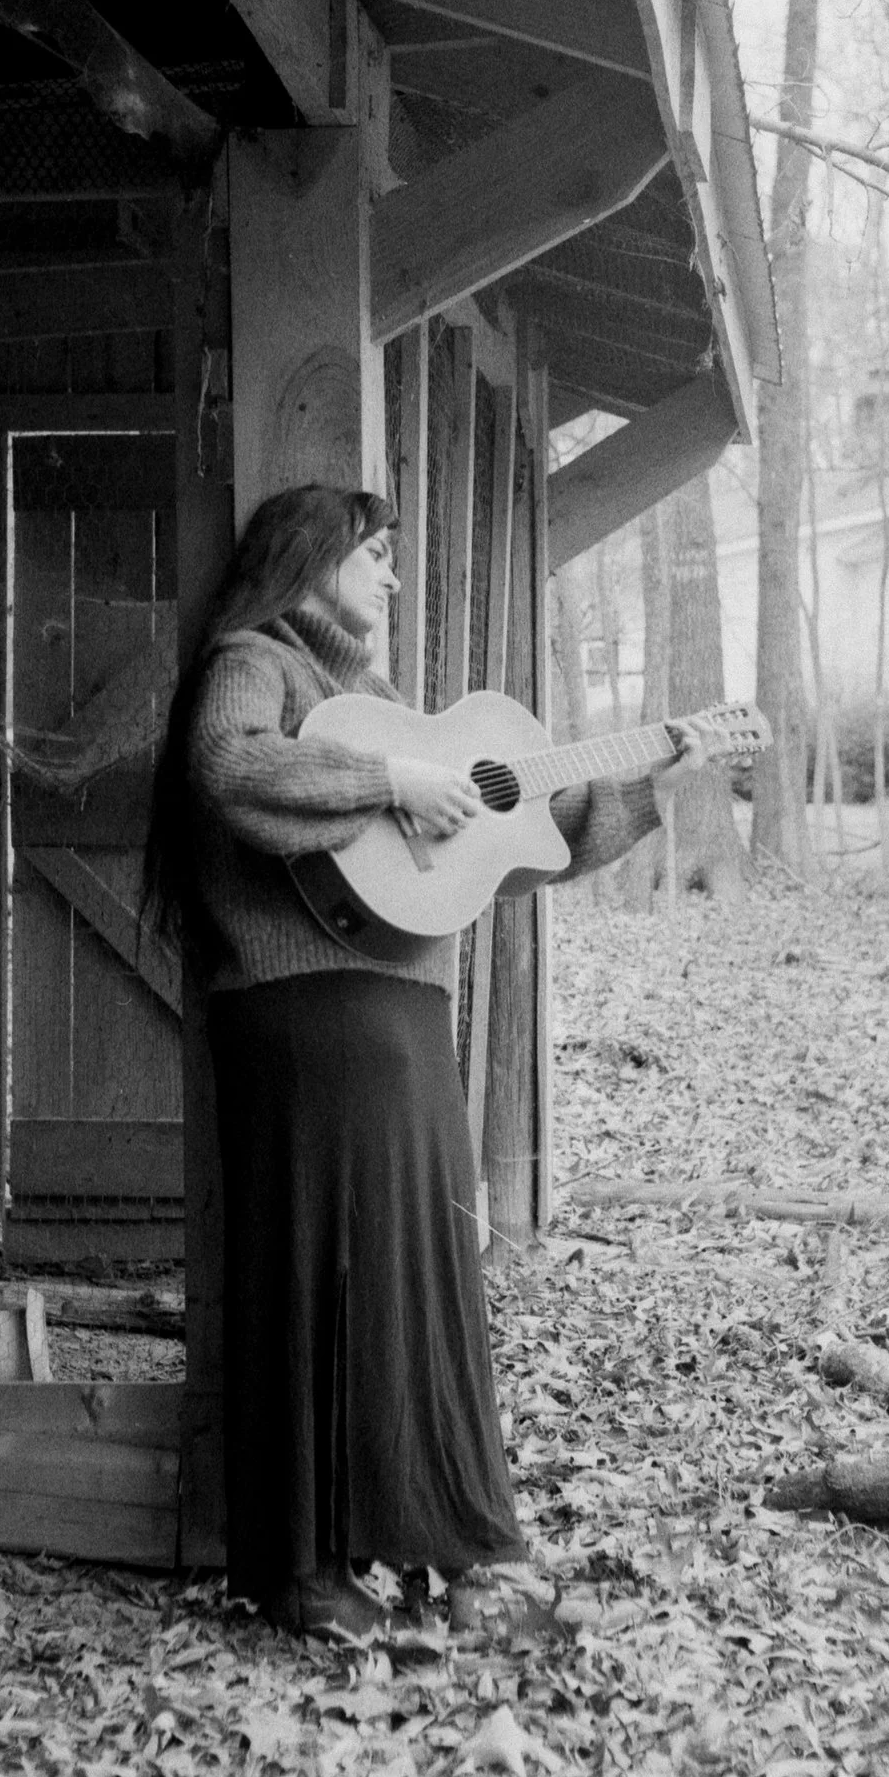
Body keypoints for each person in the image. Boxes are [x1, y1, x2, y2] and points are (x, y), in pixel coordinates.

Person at [144, 483, 706, 1638]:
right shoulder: (257, 661)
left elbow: (524, 832)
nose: (392, 577)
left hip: (393, 1015)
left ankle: (434, 1538)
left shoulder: (383, 701)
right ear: (314, 561)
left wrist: (656, 775)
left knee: (416, 1280)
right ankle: (301, 1566)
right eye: (377, 555)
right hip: (302, 1012)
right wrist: (388, 781)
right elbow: (223, 761)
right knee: (316, 1273)